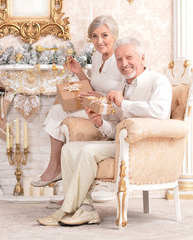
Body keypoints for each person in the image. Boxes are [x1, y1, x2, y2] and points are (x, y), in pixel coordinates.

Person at [36, 37, 172, 226]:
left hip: (142, 147)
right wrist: (99, 122)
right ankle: (86, 209)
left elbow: (161, 111)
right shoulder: (121, 86)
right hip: (120, 142)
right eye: (119, 59)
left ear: (142, 58)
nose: (124, 64)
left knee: (87, 151)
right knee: (69, 149)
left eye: (129, 57)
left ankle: (66, 209)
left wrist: (124, 103)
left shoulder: (159, 81)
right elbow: (115, 128)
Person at [31, 15, 124, 187]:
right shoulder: (97, 56)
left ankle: (54, 167)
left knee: (57, 112)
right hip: (94, 104)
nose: (99, 41)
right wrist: (79, 72)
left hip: (109, 112)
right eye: (95, 36)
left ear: (114, 36)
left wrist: (101, 99)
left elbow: (123, 96)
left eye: (104, 35)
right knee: (58, 107)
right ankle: (61, 176)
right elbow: (92, 87)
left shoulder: (120, 60)